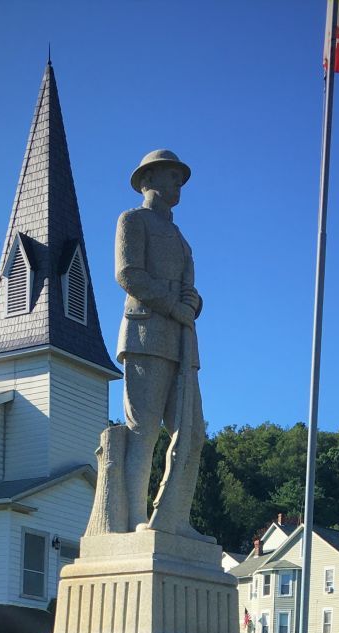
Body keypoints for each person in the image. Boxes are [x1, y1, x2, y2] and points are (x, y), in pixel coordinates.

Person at [115, 149, 207, 536]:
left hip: (182, 340)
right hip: (146, 335)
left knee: (192, 430)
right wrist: (173, 305)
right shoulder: (132, 221)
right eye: (172, 176)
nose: (178, 184)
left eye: (180, 178)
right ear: (149, 178)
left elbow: (191, 291)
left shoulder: (182, 239)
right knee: (144, 430)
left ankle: (172, 518)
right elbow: (128, 274)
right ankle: (133, 515)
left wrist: (193, 303)